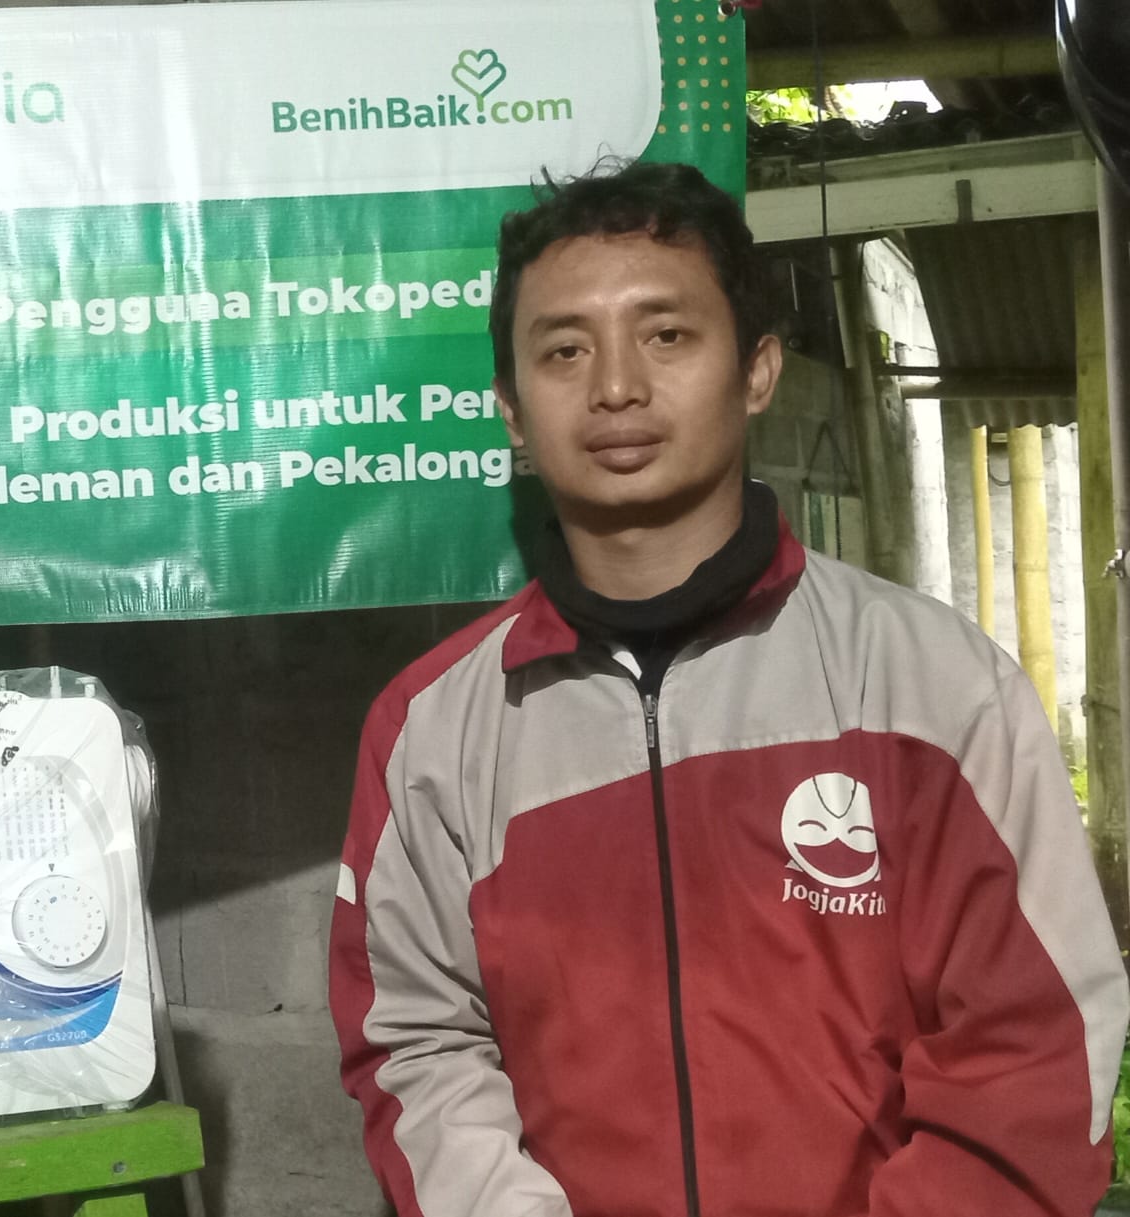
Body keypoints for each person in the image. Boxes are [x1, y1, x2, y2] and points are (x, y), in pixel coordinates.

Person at [327, 159, 1130, 1217]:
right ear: (511, 409)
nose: (616, 386)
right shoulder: (430, 731)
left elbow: (1031, 1042)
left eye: (666, 335)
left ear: (757, 370)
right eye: (564, 349)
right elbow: (418, 1044)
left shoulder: (935, 687)